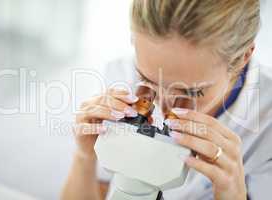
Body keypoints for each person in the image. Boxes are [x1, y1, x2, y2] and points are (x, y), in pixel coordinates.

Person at [61, 0, 272, 199]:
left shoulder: (267, 124)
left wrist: (234, 194)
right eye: (146, 80)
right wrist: (85, 157)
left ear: (243, 57)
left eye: (191, 93)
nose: (162, 107)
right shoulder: (121, 75)